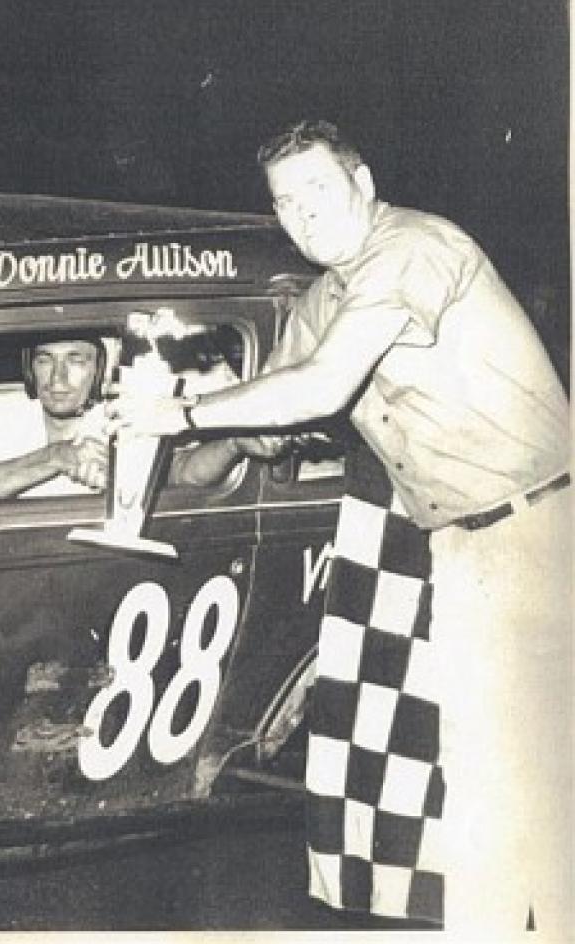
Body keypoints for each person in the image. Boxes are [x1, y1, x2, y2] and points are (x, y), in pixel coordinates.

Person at [114, 119, 571, 935]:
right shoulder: (324, 300)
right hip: (460, 544)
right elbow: (257, 424)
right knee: (478, 775)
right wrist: (134, 439)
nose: (304, 213)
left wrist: (182, 411)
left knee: (547, 780)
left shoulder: (414, 247)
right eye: (285, 202)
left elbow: (319, 388)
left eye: (318, 189)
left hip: (545, 526)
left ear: (363, 183)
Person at [0, 336, 110, 501]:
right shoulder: (9, 420)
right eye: (44, 360)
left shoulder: (117, 424)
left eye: (75, 361)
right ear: (30, 370)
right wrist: (56, 457)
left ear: (99, 372)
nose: (57, 378)